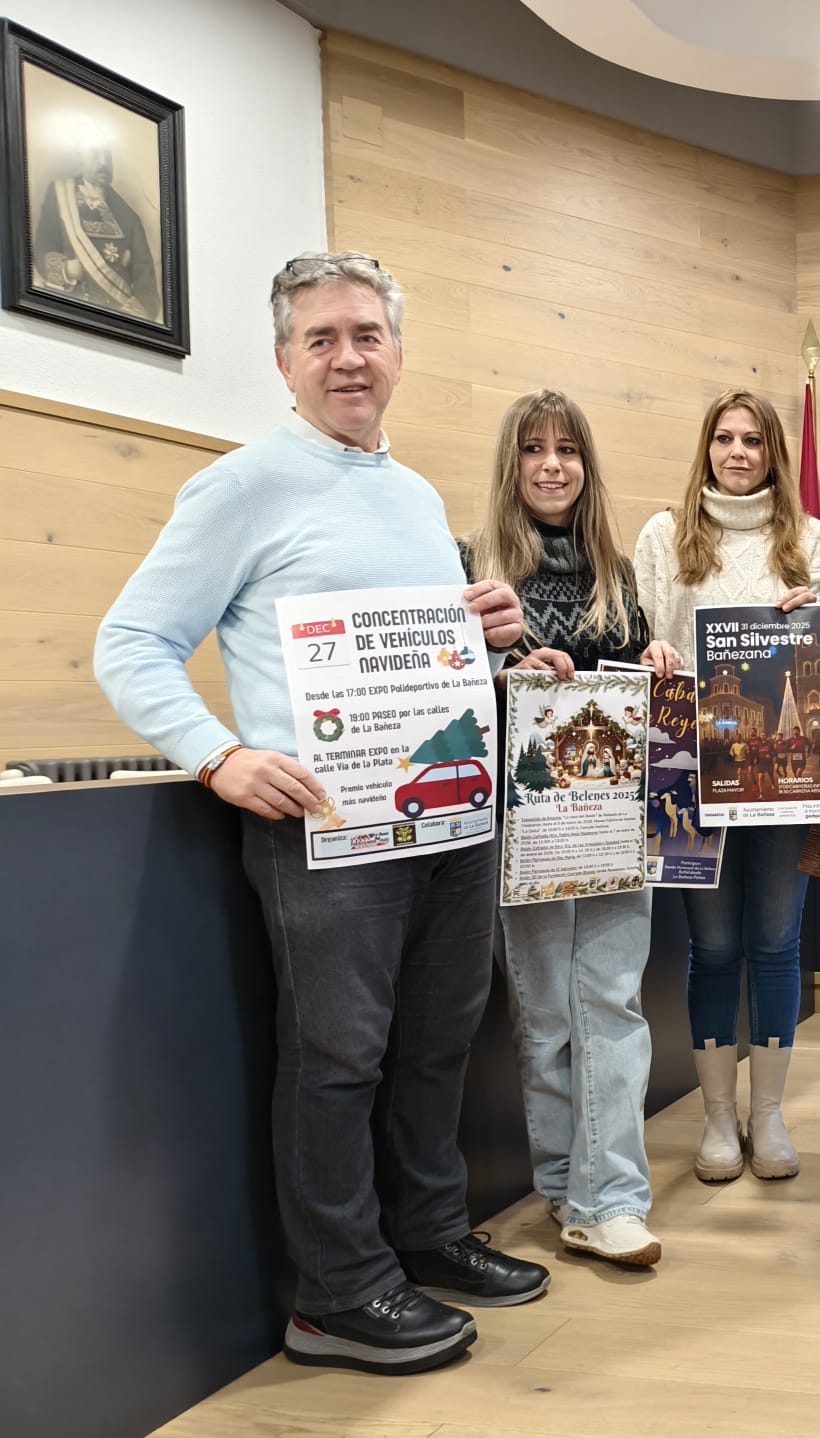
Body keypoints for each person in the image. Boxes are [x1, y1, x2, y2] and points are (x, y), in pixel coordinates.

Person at [95, 251, 549, 1375]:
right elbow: (131, 643)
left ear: (397, 351)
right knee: (339, 1054)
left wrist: (474, 621)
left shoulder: (411, 491)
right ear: (287, 361)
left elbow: (399, 647)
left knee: (439, 1040)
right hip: (325, 829)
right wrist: (217, 755)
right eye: (322, 339)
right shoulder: (240, 484)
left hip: (445, 819)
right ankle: (336, 1293)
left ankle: (428, 1233)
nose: (348, 357)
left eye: (366, 335)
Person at [462, 389, 676, 1269]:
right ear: (510, 467)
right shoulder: (470, 566)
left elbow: (635, 697)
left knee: (612, 1007)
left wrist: (658, 660)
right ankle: (563, 1187)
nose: (552, 466)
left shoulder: (620, 577)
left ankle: (611, 1197)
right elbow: (439, 705)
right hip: (524, 832)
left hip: (616, 824)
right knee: (546, 1018)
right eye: (533, 450)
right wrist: (503, 679)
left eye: (568, 450)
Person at [635, 388, 820, 1184]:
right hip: (689, 764)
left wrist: (811, 615)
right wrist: (652, 650)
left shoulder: (806, 538)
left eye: (754, 440)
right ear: (706, 447)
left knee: (778, 942)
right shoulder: (663, 534)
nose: (739, 452)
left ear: (773, 453)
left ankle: (770, 1116)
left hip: (784, 771)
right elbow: (641, 631)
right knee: (713, 946)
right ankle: (718, 1120)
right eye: (724, 438)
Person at [32, 127, 160, 322]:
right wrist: (66, 270)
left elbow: (147, 285)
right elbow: (44, 245)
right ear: (80, 157)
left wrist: (131, 321)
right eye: (94, 154)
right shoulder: (59, 194)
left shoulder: (129, 217)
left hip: (115, 322)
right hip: (70, 314)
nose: (103, 162)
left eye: (107, 155)